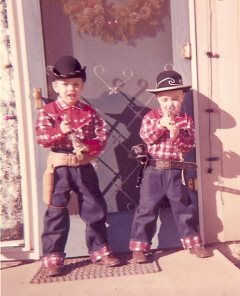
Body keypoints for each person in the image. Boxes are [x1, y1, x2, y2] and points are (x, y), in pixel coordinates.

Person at [36, 56, 120, 277]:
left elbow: (102, 138)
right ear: (55, 86)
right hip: (59, 168)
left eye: (76, 84)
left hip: (83, 166)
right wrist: (59, 131)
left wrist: (88, 147)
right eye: (64, 84)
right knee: (56, 212)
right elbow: (42, 138)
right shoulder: (48, 112)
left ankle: (100, 251)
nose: (70, 89)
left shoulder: (90, 113)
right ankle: (53, 258)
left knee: (94, 209)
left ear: (82, 86)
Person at [129, 70, 211, 263]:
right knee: (147, 208)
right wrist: (161, 125)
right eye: (165, 100)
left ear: (182, 98)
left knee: (184, 207)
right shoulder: (151, 116)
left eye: (174, 99)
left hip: (176, 171)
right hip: (153, 170)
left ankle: (193, 243)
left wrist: (177, 136)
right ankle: (139, 248)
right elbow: (146, 137)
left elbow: (189, 144)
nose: (170, 104)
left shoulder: (186, 121)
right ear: (158, 99)